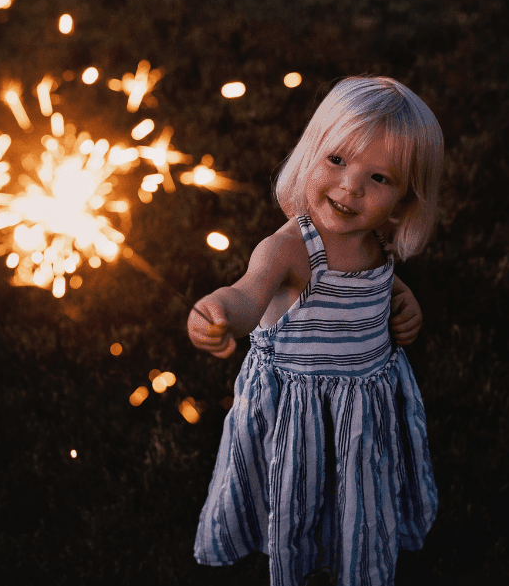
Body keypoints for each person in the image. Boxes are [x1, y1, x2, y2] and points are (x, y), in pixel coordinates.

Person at [187, 76, 442, 586]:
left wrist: (403, 302)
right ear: (311, 154)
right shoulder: (288, 249)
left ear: (405, 202)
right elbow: (248, 292)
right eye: (337, 161)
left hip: (362, 413)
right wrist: (220, 311)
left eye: (380, 179)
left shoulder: (376, 245)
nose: (351, 187)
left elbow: (376, 289)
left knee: (354, 493)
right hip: (298, 412)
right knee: (298, 493)